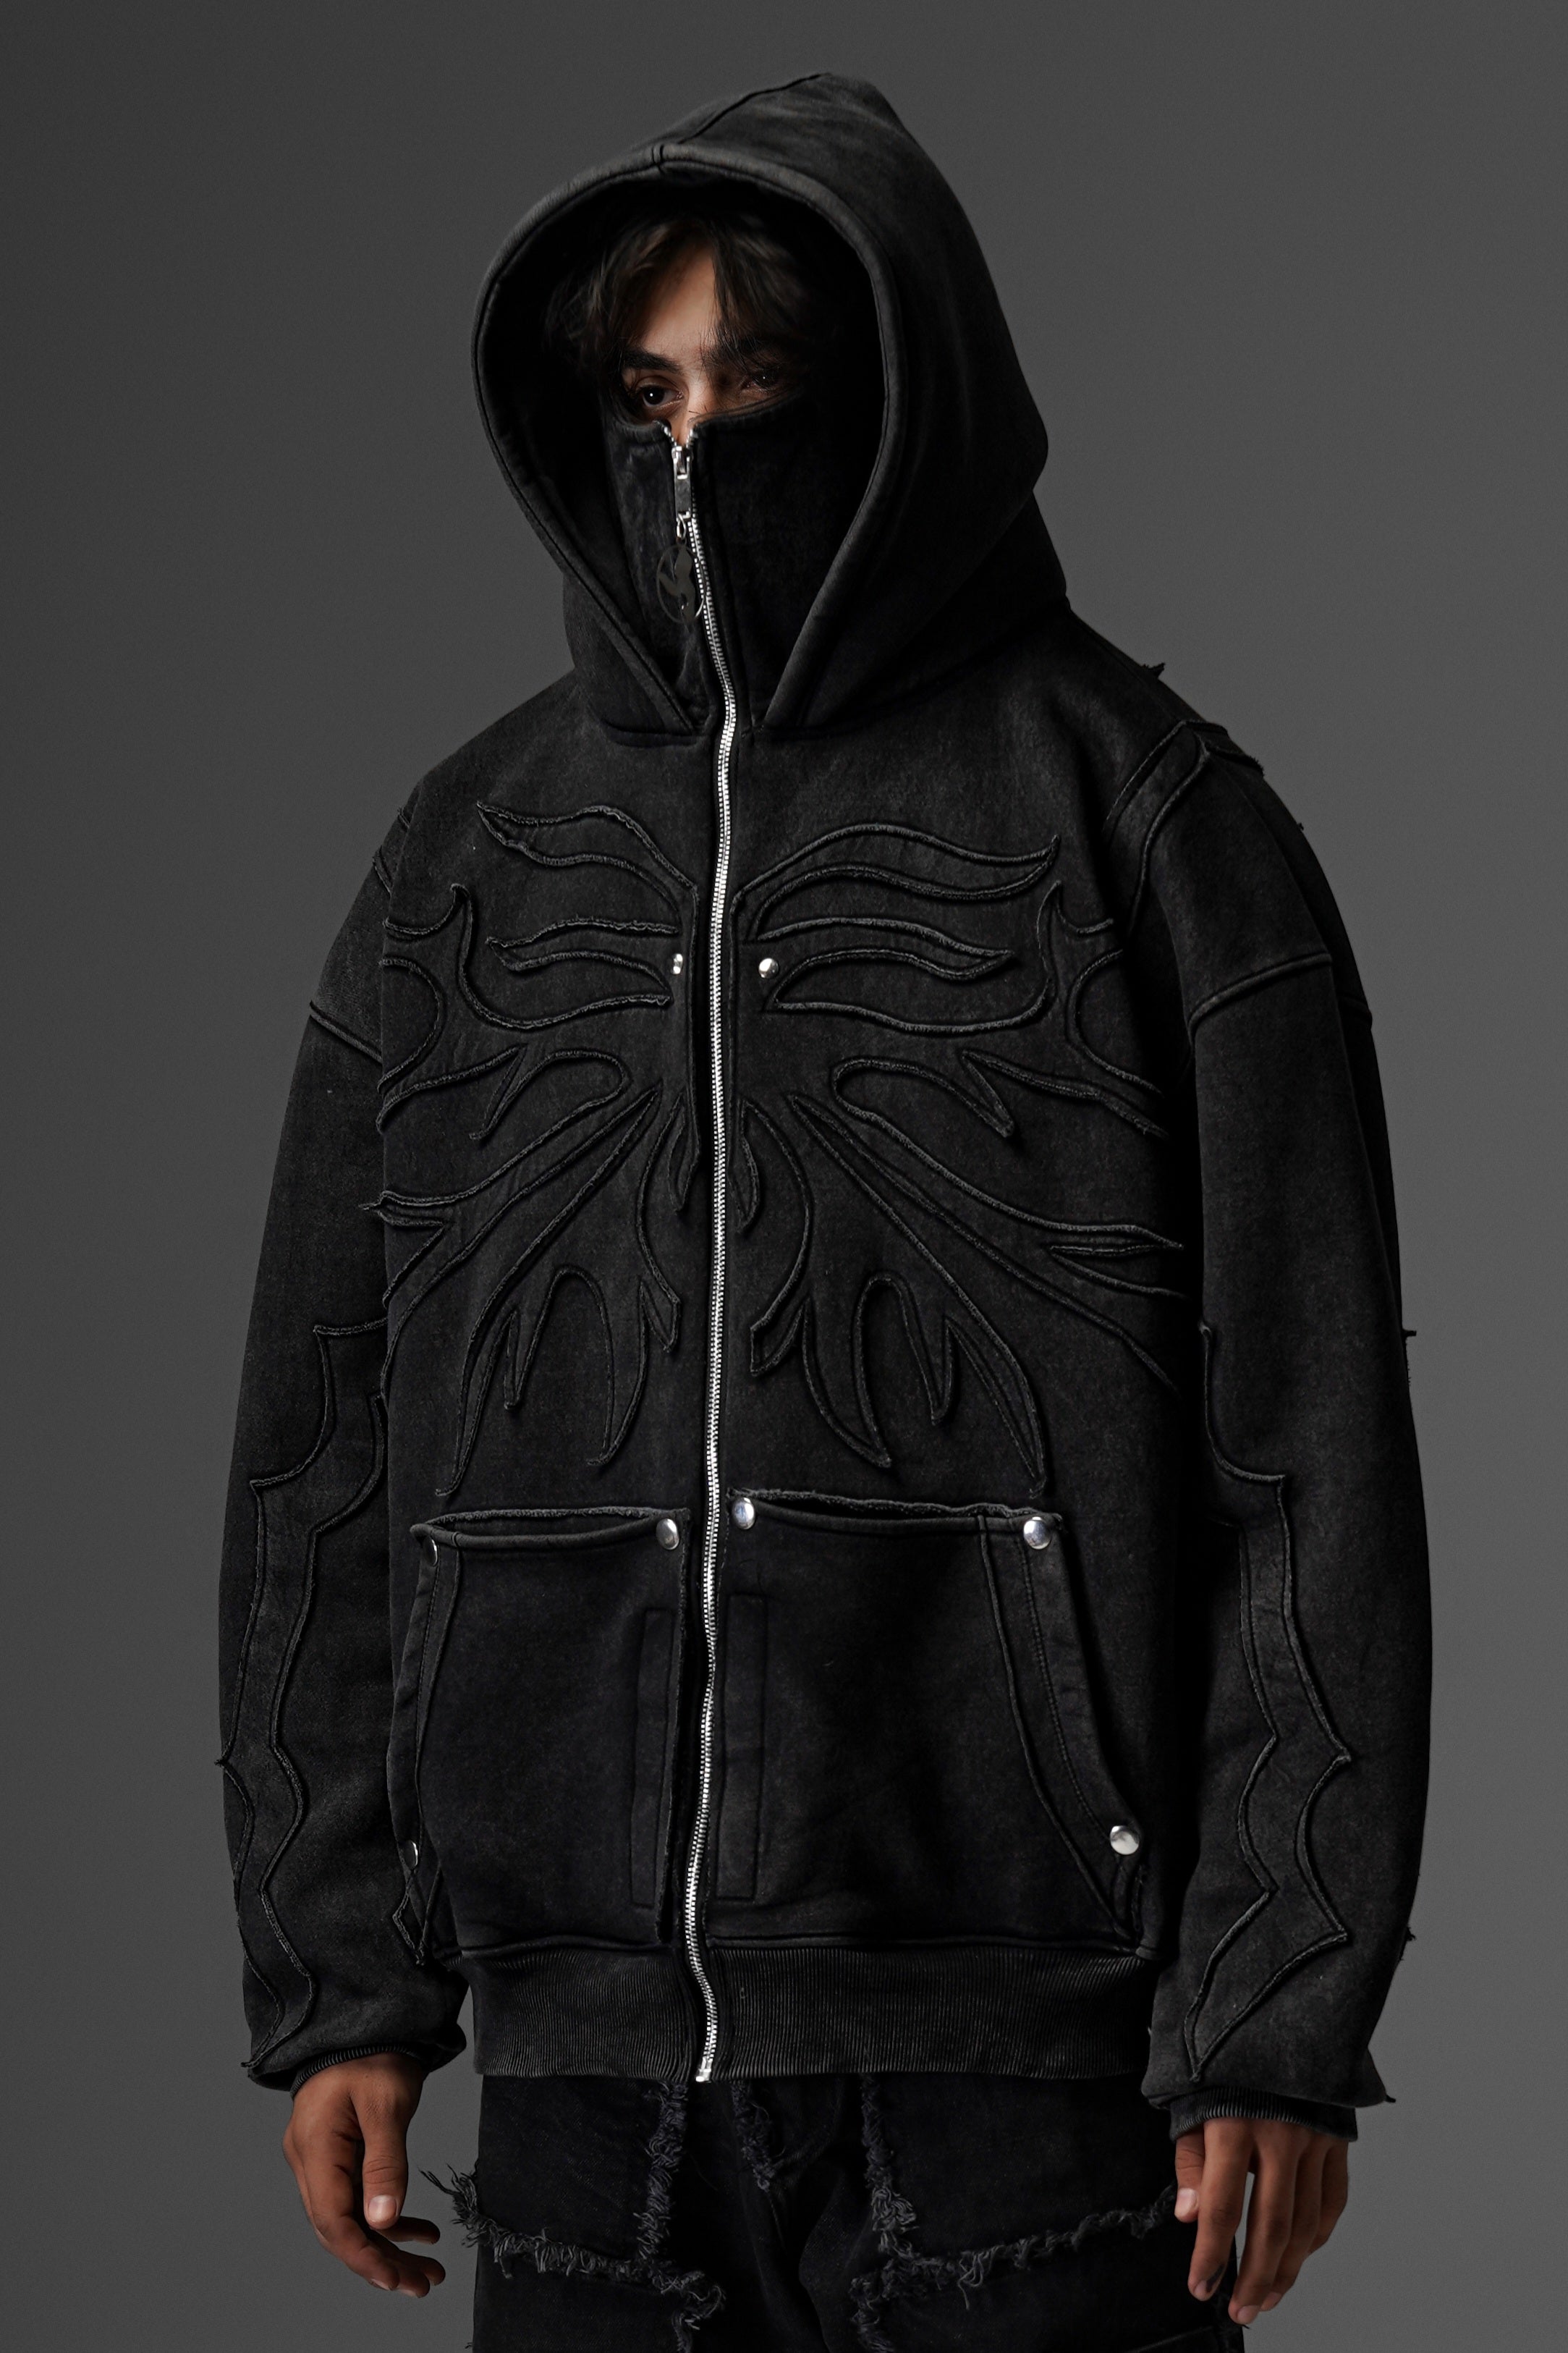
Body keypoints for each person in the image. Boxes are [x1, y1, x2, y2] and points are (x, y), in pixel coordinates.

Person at [219, 75, 1429, 2352]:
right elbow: (322, 1442)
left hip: (1030, 2099)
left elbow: (1308, 1451)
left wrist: (1272, 2011)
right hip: (583, 2116)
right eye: (646, 394)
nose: (695, 453)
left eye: (756, 387)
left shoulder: (1145, 820)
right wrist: (339, 1974)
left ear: (910, 400)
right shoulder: (465, 856)